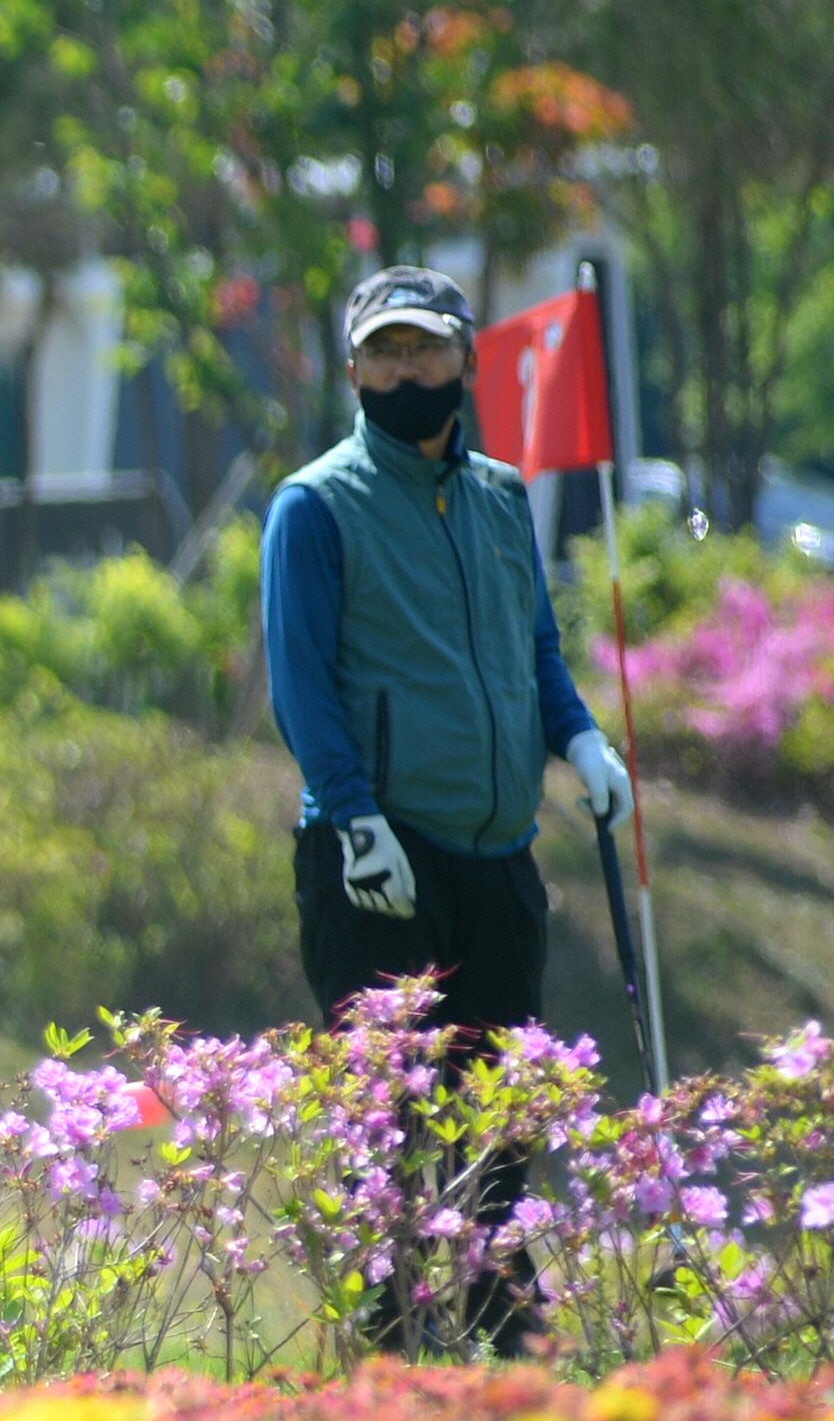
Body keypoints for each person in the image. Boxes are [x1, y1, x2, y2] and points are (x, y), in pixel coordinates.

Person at [258, 261, 629, 1350]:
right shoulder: (316, 503)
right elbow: (300, 680)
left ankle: (503, 1343)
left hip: (495, 849)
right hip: (377, 855)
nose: (404, 368)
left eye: (423, 348)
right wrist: (352, 813)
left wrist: (580, 736)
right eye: (383, 352)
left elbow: (533, 649)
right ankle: (390, 1362)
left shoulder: (501, 495)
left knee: (500, 1119)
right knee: (393, 1131)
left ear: (466, 358)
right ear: (353, 369)